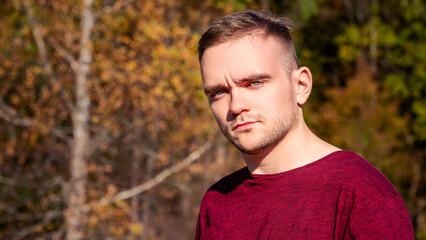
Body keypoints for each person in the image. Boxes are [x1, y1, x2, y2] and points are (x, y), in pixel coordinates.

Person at [195, 9, 414, 239]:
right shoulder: (216, 202)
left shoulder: (361, 194)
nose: (236, 105)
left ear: (300, 85)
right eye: (219, 92)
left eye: (254, 83)